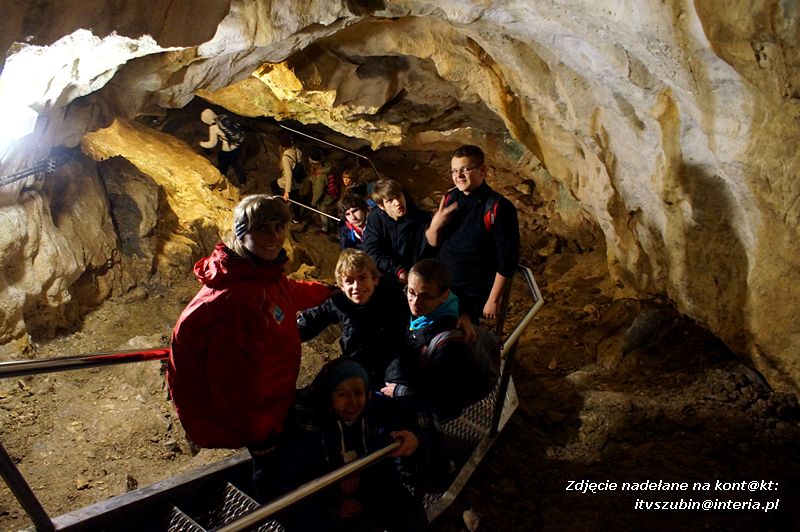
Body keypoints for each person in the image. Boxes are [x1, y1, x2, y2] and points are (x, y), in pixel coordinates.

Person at [167, 194, 331, 499]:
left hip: (271, 402)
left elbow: (286, 292)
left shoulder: (257, 273)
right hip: (259, 416)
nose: (274, 237)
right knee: (271, 476)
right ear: (242, 234)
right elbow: (232, 382)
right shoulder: (238, 301)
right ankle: (269, 515)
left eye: (279, 226)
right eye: (262, 229)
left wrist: (329, 292)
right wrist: (260, 431)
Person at [274, 358, 428, 531]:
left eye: (358, 393)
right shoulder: (305, 423)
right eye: (342, 394)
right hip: (323, 493)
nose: (352, 403)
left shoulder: (372, 404)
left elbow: (415, 416)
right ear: (328, 395)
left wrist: (415, 437)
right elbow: (294, 479)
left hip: (366, 475)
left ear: (366, 392)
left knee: (410, 517)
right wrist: (333, 504)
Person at [425, 144, 520, 322]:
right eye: (454, 171)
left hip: (472, 291)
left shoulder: (499, 208)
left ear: (482, 170)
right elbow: (432, 243)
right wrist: (434, 226)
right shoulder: (450, 198)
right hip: (442, 284)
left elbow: (508, 261)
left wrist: (493, 300)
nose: (458, 176)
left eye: (465, 169)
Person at [298, 249, 408, 388]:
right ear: (341, 286)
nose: (357, 286)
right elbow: (310, 321)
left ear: (374, 279)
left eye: (362, 278)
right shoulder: (339, 302)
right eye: (349, 281)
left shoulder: (392, 295)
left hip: (393, 363)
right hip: (357, 365)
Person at [382, 259, 473, 422]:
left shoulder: (450, 348)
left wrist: (400, 392)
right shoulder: (419, 315)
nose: (415, 302)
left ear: (444, 296)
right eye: (411, 292)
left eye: (426, 296)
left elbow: (448, 407)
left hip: (417, 419)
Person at [363, 179, 433, 284]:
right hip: (388, 274)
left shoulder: (421, 219)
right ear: (381, 206)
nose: (397, 203)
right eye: (390, 200)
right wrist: (397, 270)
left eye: (399, 196)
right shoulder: (375, 219)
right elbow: (372, 250)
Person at [199, 108, 247, 186]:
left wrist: (201, 143)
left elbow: (212, 144)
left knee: (222, 165)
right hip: (238, 143)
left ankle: (223, 181)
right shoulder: (223, 118)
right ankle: (242, 182)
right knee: (235, 163)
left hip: (228, 149)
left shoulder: (213, 127)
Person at [272, 131, 305, 223]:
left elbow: (289, 175)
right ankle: (297, 218)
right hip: (298, 180)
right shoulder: (297, 150)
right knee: (296, 198)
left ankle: (281, 206)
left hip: (292, 182)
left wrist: (286, 192)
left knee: (274, 184)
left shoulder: (286, 157)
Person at [308, 149, 340, 234]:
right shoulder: (326, 166)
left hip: (326, 196)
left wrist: (313, 203)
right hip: (330, 192)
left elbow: (318, 191)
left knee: (322, 211)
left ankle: (325, 228)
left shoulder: (320, 176)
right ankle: (329, 225)